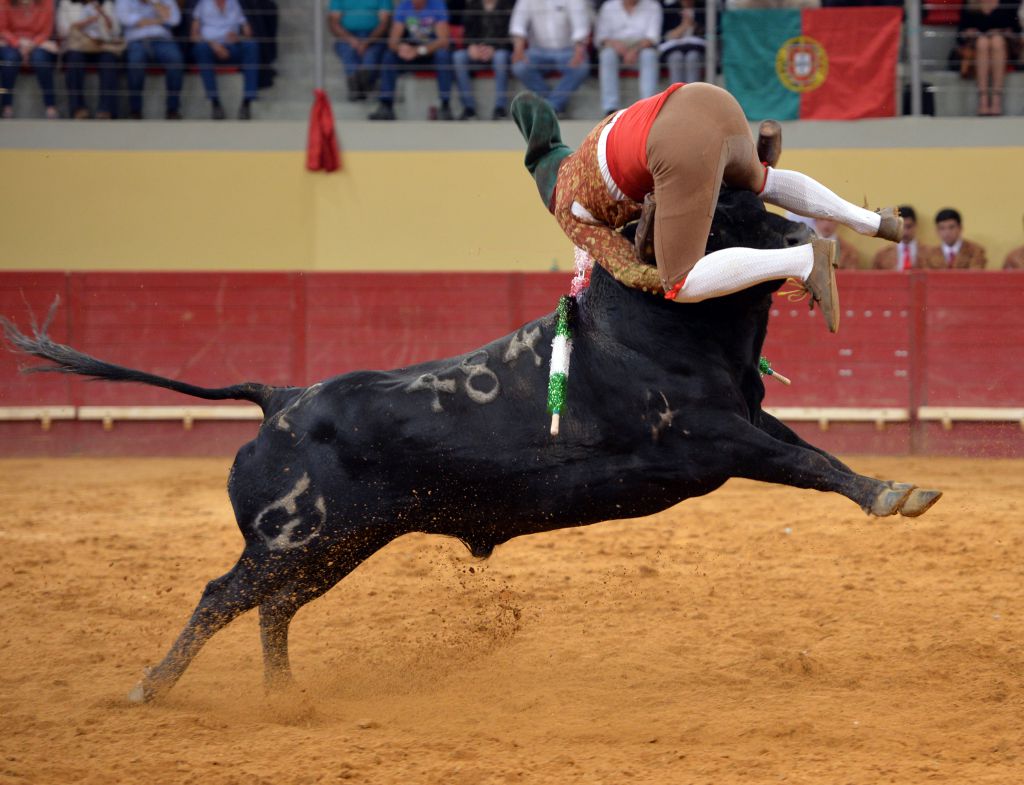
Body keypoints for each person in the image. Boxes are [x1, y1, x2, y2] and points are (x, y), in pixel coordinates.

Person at [511, 85, 904, 334]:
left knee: (680, 281)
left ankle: (802, 262)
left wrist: (659, 276)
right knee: (762, 180)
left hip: (679, 146)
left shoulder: (568, 205)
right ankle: (873, 221)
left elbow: (626, 266)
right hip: (712, 100)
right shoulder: (592, 142)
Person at [369, 0, 453, 120]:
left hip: (429, 52)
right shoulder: (404, 6)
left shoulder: (437, 4)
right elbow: (392, 41)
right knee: (389, 56)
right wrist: (401, 48)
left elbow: (443, 40)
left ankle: (445, 106)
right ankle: (386, 106)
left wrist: (419, 50)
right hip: (410, 52)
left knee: (443, 56)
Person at [508, 0, 591, 118]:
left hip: (567, 50)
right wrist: (519, 49)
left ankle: (551, 106)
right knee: (519, 66)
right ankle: (552, 105)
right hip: (537, 51)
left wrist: (578, 51)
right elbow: (518, 24)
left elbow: (580, 25)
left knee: (581, 67)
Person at [191, 0, 261, 120]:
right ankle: (215, 103)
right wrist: (213, 45)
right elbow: (193, 36)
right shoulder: (202, 5)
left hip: (232, 47)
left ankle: (247, 102)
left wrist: (238, 37)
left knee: (252, 45)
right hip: (210, 47)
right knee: (200, 49)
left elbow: (248, 33)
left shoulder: (235, 4)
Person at [116, 0, 184, 119]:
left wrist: (154, 3)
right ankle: (135, 110)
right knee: (136, 61)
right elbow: (124, 19)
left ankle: (172, 109)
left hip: (162, 40)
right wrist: (159, 21)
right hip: (137, 41)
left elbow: (174, 20)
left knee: (176, 59)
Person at [57, 0, 123, 120]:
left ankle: (106, 109)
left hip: (101, 45)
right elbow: (63, 30)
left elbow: (116, 31)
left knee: (109, 60)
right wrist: (86, 22)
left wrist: (104, 15)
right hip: (77, 45)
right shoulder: (67, 3)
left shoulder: (105, 3)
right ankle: (78, 109)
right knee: (73, 59)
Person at [595, 0, 661, 115]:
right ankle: (610, 108)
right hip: (615, 46)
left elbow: (653, 37)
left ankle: (648, 106)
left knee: (649, 55)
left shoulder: (652, 6)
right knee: (606, 56)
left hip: (642, 46)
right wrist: (618, 46)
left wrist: (634, 50)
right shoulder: (609, 7)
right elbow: (602, 37)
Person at [452, 0, 513, 120]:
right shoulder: (472, 6)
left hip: (499, 51)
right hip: (477, 51)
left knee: (500, 57)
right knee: (458, 57)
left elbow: (512, 36)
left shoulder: (508, 5)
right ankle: (469, 109)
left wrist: (494, 48)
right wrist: (470, 46)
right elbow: (466, 33)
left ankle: (500, 108)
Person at [957, 0, 1020, 116]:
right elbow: (960, 32)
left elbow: (1016, 29)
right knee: (983, 42)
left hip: (1003, 45)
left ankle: (996, 100)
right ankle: (983, 100)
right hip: (978, 46)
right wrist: (968, 32)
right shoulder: (970, 3)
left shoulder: (1009, 2)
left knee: (996, 41)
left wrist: (1002, 32)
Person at [0, 0, 59, 119]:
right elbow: (2, 29)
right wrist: (18, 43)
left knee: (40, 59)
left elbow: (46, 31)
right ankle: (6, 107)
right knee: (10, 60)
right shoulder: (4, 2)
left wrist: (31, 45)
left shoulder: (47, 2)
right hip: (11, 43)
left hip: (39, 43)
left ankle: (50, 107)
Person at [328, 0, 390, 102]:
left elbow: (385, 22)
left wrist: (367, 42)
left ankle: (363, 87)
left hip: (375, 37)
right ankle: (356, 89)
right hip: (346, 37)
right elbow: (334, 22)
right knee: (348, 53)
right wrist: (352, 40)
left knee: (371, 57)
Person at [872, 206, 942, 270]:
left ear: (915, 226)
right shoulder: (882, 255)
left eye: (909, 227)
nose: (905, 232)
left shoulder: (931, 254)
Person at [660, 0, 705, 85]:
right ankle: (676, 93)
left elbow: (708, 33)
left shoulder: (703, 8)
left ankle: (692, 92)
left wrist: (694, 25)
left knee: (693, 57)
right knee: (676, 57)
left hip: (696, 49)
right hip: (674, 49)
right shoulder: (670, 9)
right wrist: (683, 26)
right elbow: (665, 36)